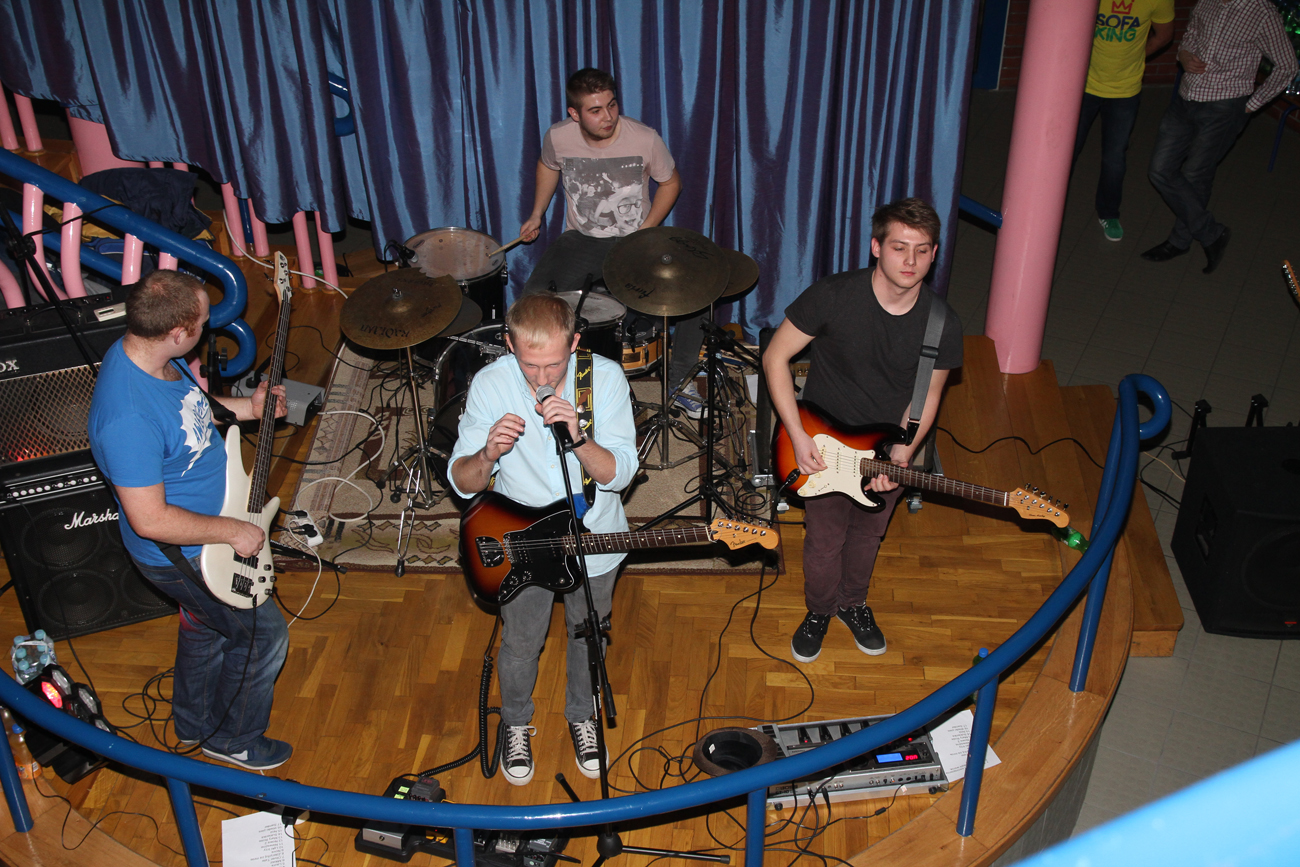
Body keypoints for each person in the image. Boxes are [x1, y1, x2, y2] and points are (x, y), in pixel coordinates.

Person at [87, 270, 292, 771]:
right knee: (262, 635)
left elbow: (191, 414)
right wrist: (233, 531)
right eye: (202, 322)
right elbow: (150, 519)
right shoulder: (127, 417)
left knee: (206, 627)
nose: (208, 327)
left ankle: (194, 721)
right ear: (177, 332)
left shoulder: (155, 355)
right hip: (183, 551)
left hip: (210, 524)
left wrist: (249, 408)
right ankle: (234, 739)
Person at [762, 198, 963, 664]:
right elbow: (775, 356)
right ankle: (819, 611)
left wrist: (903, 454)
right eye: (899, 247)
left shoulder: (943, 324)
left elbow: (928, 396)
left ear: (934, 254)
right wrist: (797, 433)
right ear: (876, 247)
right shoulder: (834, 295)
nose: (910, 260)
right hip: (821, 442)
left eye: (922, 250)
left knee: (868, 535)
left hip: (888, 447)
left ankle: (853, 604)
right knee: (824, 539)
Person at [448, 294, 638, 786]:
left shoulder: (604, 379)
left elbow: (619, 475)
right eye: (529, 364)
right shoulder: (491, 383)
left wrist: (578, 436)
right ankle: (515, 722)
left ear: (575, 343)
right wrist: (487, 454)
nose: (542, 377)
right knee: (520, 642)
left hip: (594, 537)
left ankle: (582, 715)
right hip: (521, 542)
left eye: (554, 363)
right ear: (509, 344)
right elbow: (463, 483)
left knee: (586, 634)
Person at [520, 67, 708, 419]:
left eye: (612, 105)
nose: (608, 116)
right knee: (533, 305)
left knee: (697, 294)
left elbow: (672, 184)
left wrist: (645, 230)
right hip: (582, 240)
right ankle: (539, 386)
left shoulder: (644, 138)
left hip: (637, 240)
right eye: (595, 110)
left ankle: (681, 381)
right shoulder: (559, 136)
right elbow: (548, 166)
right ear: (575, 114)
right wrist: (536, 214)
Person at [1141, 0, 1298, 273]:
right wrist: (1183, 55)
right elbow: (1191, 34)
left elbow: (1288, 65)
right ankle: (1211, 233)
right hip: (1186, 98)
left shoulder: (1261, 11)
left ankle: (1179, 241)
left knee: (1195, 174)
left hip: (1224, 106)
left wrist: (1250, 105)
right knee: (1160, 169)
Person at [1072, 0, 1175, 242]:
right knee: (1067, 150)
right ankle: (1043, 205)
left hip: (1125, 91)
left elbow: (1164, 35)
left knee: (1114, 158)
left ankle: (1108, 213)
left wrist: (1137, 56)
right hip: (1082, 84)